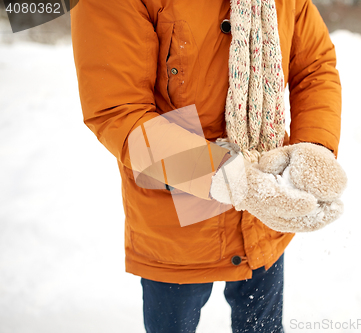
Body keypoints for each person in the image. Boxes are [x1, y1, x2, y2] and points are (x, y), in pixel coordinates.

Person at [71, 0, 342, 331]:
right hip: (177, 226)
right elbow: (119, 111)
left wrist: (315, 148)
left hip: (263, 218)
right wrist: (232, 180)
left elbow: (314, 66)